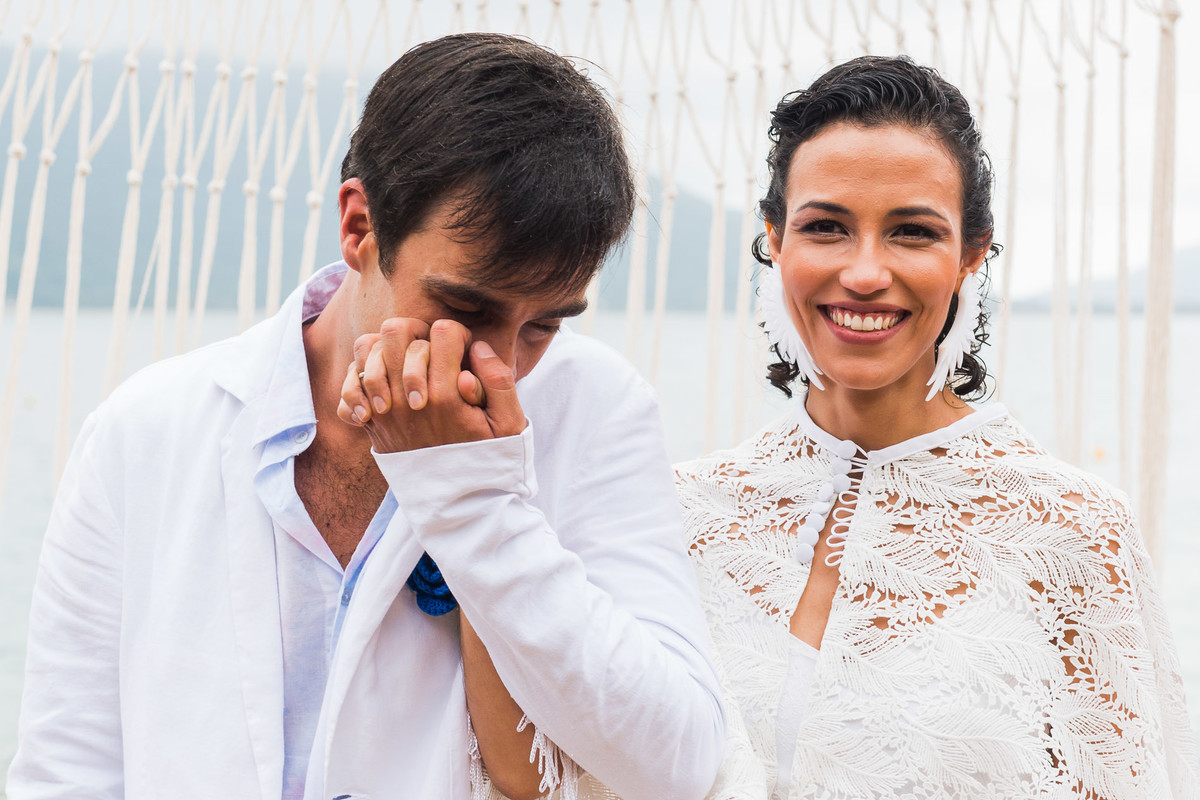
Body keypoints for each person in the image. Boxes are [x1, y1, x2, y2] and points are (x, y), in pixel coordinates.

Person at [9, 33, 724, 800]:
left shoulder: (598, 407)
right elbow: (66, 770)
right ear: (359, 227)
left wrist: (477, 501)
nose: (501, 363)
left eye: (545, 324)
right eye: (465, 308)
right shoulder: (143, 431)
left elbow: (679, 765)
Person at [675, 55, 1199, 799]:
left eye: (912, 232)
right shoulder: (679, 513)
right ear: (776, 240)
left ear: (970, 255)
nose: (864, 273)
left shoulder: (1075, 534)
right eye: (826, 227)